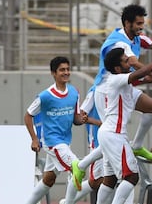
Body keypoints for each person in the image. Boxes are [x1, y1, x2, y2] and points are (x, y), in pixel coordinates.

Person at [93, 4, 152, 162]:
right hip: (107, 92)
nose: (142, 27)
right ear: (127, 23)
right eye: (139, 24)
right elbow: (135, 64)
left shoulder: (136, 37)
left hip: (124, 87)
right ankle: (81, 166)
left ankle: (136, 146)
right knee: (112, 137)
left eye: (143, 23)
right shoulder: (119, 43)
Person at [96, 47, 152, 204]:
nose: (129, 62)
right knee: (131, 176)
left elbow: (147, 78)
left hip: (108, 133)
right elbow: (139, 74)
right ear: (117, 68)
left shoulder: (122, 79)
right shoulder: (116, 79)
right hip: (114, 134)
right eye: (125, 60)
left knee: (109, 179)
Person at [24, 56, 87, 204]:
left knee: (49, 179)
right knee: (77, 167)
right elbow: (28, 115)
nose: (66, 72)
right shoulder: (45, 96)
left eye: (67, 69)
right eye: (61, 70)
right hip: (52, 142)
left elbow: (76, 118)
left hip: (65, 141)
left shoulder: (74, 92)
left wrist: (81, 119)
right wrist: (34, 139)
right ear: (53, 73)